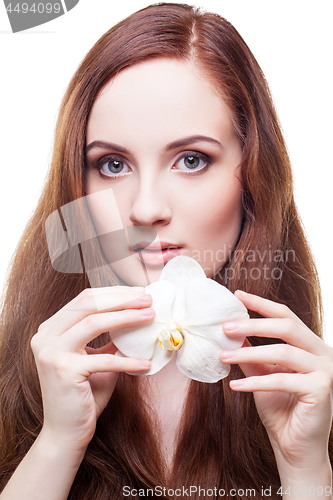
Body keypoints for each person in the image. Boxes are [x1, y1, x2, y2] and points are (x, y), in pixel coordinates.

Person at [0, 3, 332, 499]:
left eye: (191, 159)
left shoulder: (310, 395)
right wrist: (57, 444)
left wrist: (305, 470)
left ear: (253, 177)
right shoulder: (19, 382)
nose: (146, 209)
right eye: (112, 164)